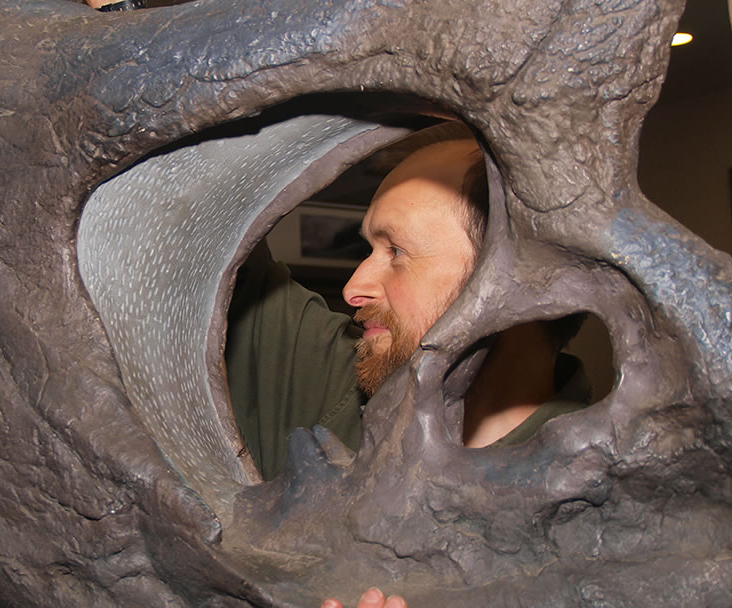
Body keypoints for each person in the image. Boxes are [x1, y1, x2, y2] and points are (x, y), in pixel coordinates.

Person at [226, 124, 590, 606]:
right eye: (368, 250)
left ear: (510, 284)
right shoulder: (335, 373)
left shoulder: (597, 516)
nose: (354, 288)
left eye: (395, 252)